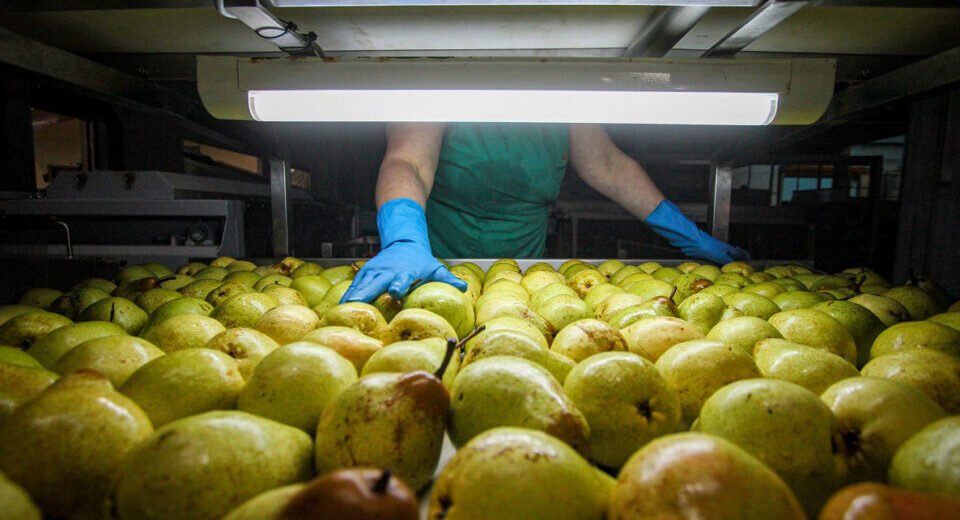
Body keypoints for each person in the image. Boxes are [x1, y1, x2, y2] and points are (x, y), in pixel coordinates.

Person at [341, 122, 748, 303]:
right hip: (432, 266)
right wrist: (405, 240)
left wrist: (687, 233)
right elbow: (407, 162)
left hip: (524, 280)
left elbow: (607, 165)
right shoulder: (444, 73)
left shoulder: (560, 84)